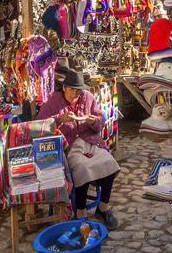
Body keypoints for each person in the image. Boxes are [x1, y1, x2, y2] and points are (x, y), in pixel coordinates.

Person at [36, 70, 120, 228]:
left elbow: (101, 120)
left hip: (91, 141)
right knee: (82, 167)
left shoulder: (87, 97)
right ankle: (80, 213)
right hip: (70, 145)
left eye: (79, 89)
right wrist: (59, 119)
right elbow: (39, 124)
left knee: (109, 162)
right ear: (65, 88)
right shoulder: (54, 101)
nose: (77, 93)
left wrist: (94, 121)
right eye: (73, 89)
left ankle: (102, 208)